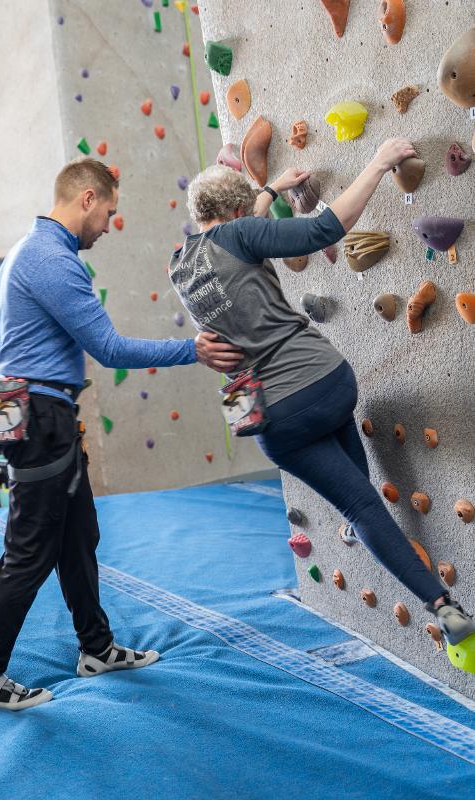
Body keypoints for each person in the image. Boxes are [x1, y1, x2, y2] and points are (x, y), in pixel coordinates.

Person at [169, 138, 475, 656]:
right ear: (240, 214)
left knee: (358, 505)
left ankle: (441, 605)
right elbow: (321, 229)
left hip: (273, 419)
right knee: (360, 496)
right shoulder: (243, 233)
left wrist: (266, 191)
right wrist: (378, 164)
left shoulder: (180, 264)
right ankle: (376, 532)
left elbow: (239, 236)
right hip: (326, 383)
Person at [0, 158, 243, 711]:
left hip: (45, 413)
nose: (110, 225)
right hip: (40, 417)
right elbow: (108, 349)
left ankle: (96, 647)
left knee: (77, 534)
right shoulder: (51, 260)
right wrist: (194, 349)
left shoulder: (33, 251)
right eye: (109, 212)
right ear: (86, 199)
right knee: (31, 550)